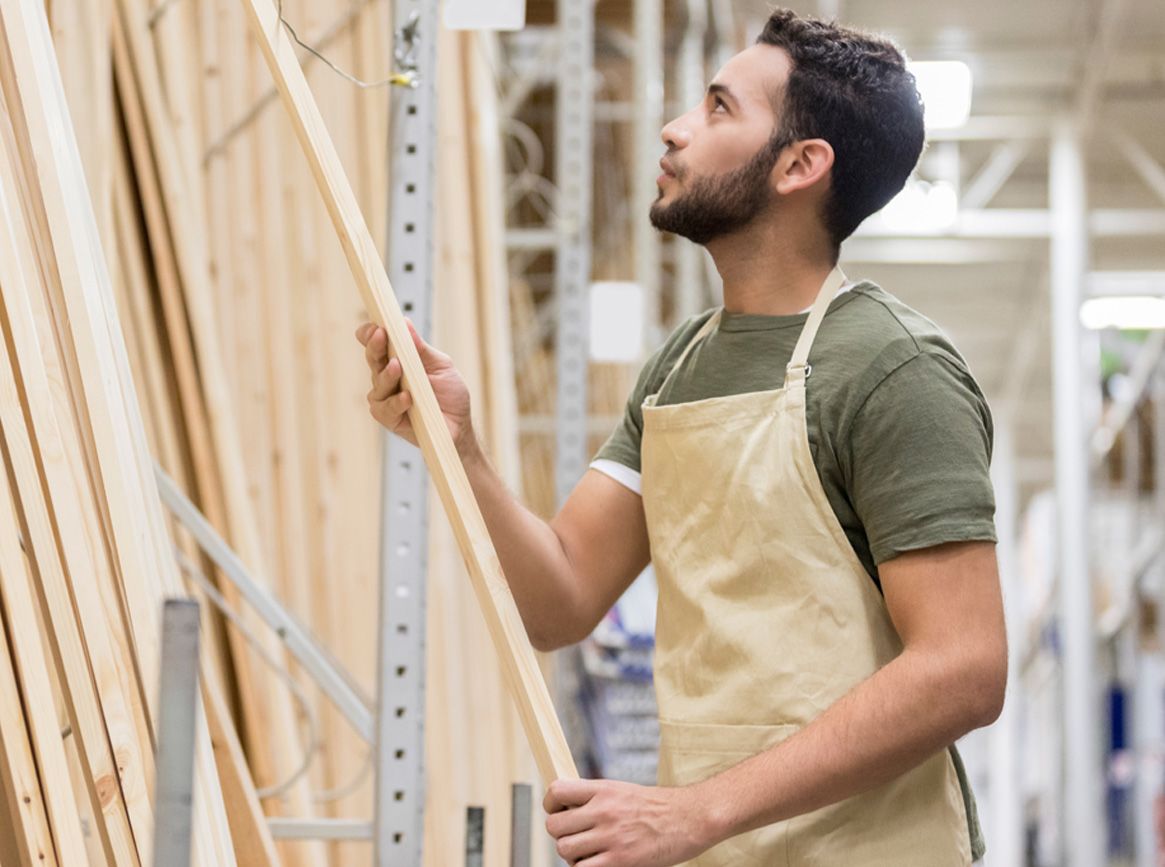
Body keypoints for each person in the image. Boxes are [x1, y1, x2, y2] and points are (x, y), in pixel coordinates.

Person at [356, 8, 1006, 866]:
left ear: (801, 165)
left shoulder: (892, 369)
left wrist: (697, 811)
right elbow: (560, 600)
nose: (674, 128)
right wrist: (458, 448)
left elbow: (963, 666)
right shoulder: (679, 367)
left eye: (717, 108)